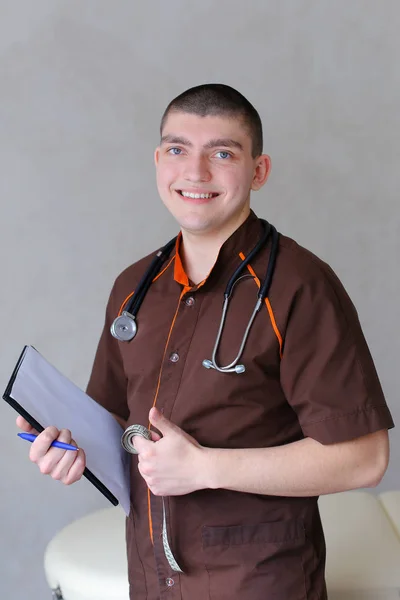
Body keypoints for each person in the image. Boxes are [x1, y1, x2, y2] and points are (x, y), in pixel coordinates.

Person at [17, 83, 394, 600]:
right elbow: (112, 431)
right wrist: (65, 446)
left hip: (258, 585)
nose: (195, 173)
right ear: (157, 161)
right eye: (177, 150)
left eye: (222, 153)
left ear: (258, 171)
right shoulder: (134, 288)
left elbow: (364, 457)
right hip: (152, 581)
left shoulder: (299, 286)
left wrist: (206, 467)